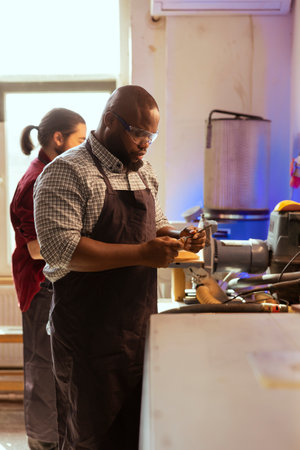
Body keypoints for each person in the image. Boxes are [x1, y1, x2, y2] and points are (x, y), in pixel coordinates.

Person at [33, 85, 206, 450]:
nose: (145, 143)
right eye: (139, 132)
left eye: (152, 135)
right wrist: (143, 254)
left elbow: (156, 222)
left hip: (137, 331)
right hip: (87, 339)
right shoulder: (65, 172)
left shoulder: (143, 172)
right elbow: (63, 249)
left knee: (135, 435)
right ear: (110, 120)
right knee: (90, 439)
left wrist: (181, 236)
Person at [10, 108, 87, 450]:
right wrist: (85, 244)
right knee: (43, 369)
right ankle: (44, 443)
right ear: (58, 138)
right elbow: (37, 248)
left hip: (51, 284)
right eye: (80, 141)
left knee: (56, 368)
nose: (83, 149)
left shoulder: (50, 173)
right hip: (40, 287)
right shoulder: (36, 180)